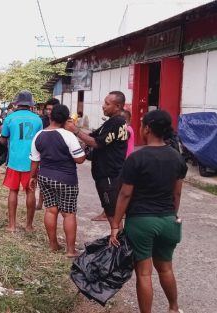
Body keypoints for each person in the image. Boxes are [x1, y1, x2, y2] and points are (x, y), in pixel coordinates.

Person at [109, 110, 187, 313]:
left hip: (141, 222)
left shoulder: (136, 158)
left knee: (144, 274)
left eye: (143, 124)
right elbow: (176, 193)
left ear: (148, 128)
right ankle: (174, 308)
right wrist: (172, 214)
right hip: (168, 220)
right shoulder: (177, 157)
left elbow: (125, 194)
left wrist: (116, 225)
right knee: (166, 267)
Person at [29, 104, 86, 257]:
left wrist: (32, 177)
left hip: (45, 177)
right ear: (66, 119)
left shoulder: (39, 135)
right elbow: (80, 159)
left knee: (50, 210)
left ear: (50, 116)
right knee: (68, 214)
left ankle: (53, 244)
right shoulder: (68, 136)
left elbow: (35, 161)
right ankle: (70, 250)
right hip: (66, 179)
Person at [65, 91, 129, 226]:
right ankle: (117, 240)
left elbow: (96, 143)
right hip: (105, 173)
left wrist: (75, 130)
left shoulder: (116, 122)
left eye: (107, 104)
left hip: (109, 175)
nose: (103, 106)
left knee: (112, 213)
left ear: (117, 106)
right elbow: (92, 137)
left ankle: (117, 242)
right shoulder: (112, 122)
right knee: (110, 210)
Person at [1, 90, 43, 232]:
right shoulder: (38, 120)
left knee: (13, 191)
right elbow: (40, 140)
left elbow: (3, 139)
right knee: (30, 192)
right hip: (32, 162)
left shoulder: (10, 118)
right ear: (30, 104)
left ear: (17, 103)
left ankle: (12, 226)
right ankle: (29, 226)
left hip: (14, 161)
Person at [36, 98, 59, 210]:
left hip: (58, 153)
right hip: (43, 152)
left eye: (51, 109)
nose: (49, 112)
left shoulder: (62, 121)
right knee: (43, 178)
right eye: (47, 109)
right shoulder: (42, 121)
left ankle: (56, 202)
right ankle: (40, 202)